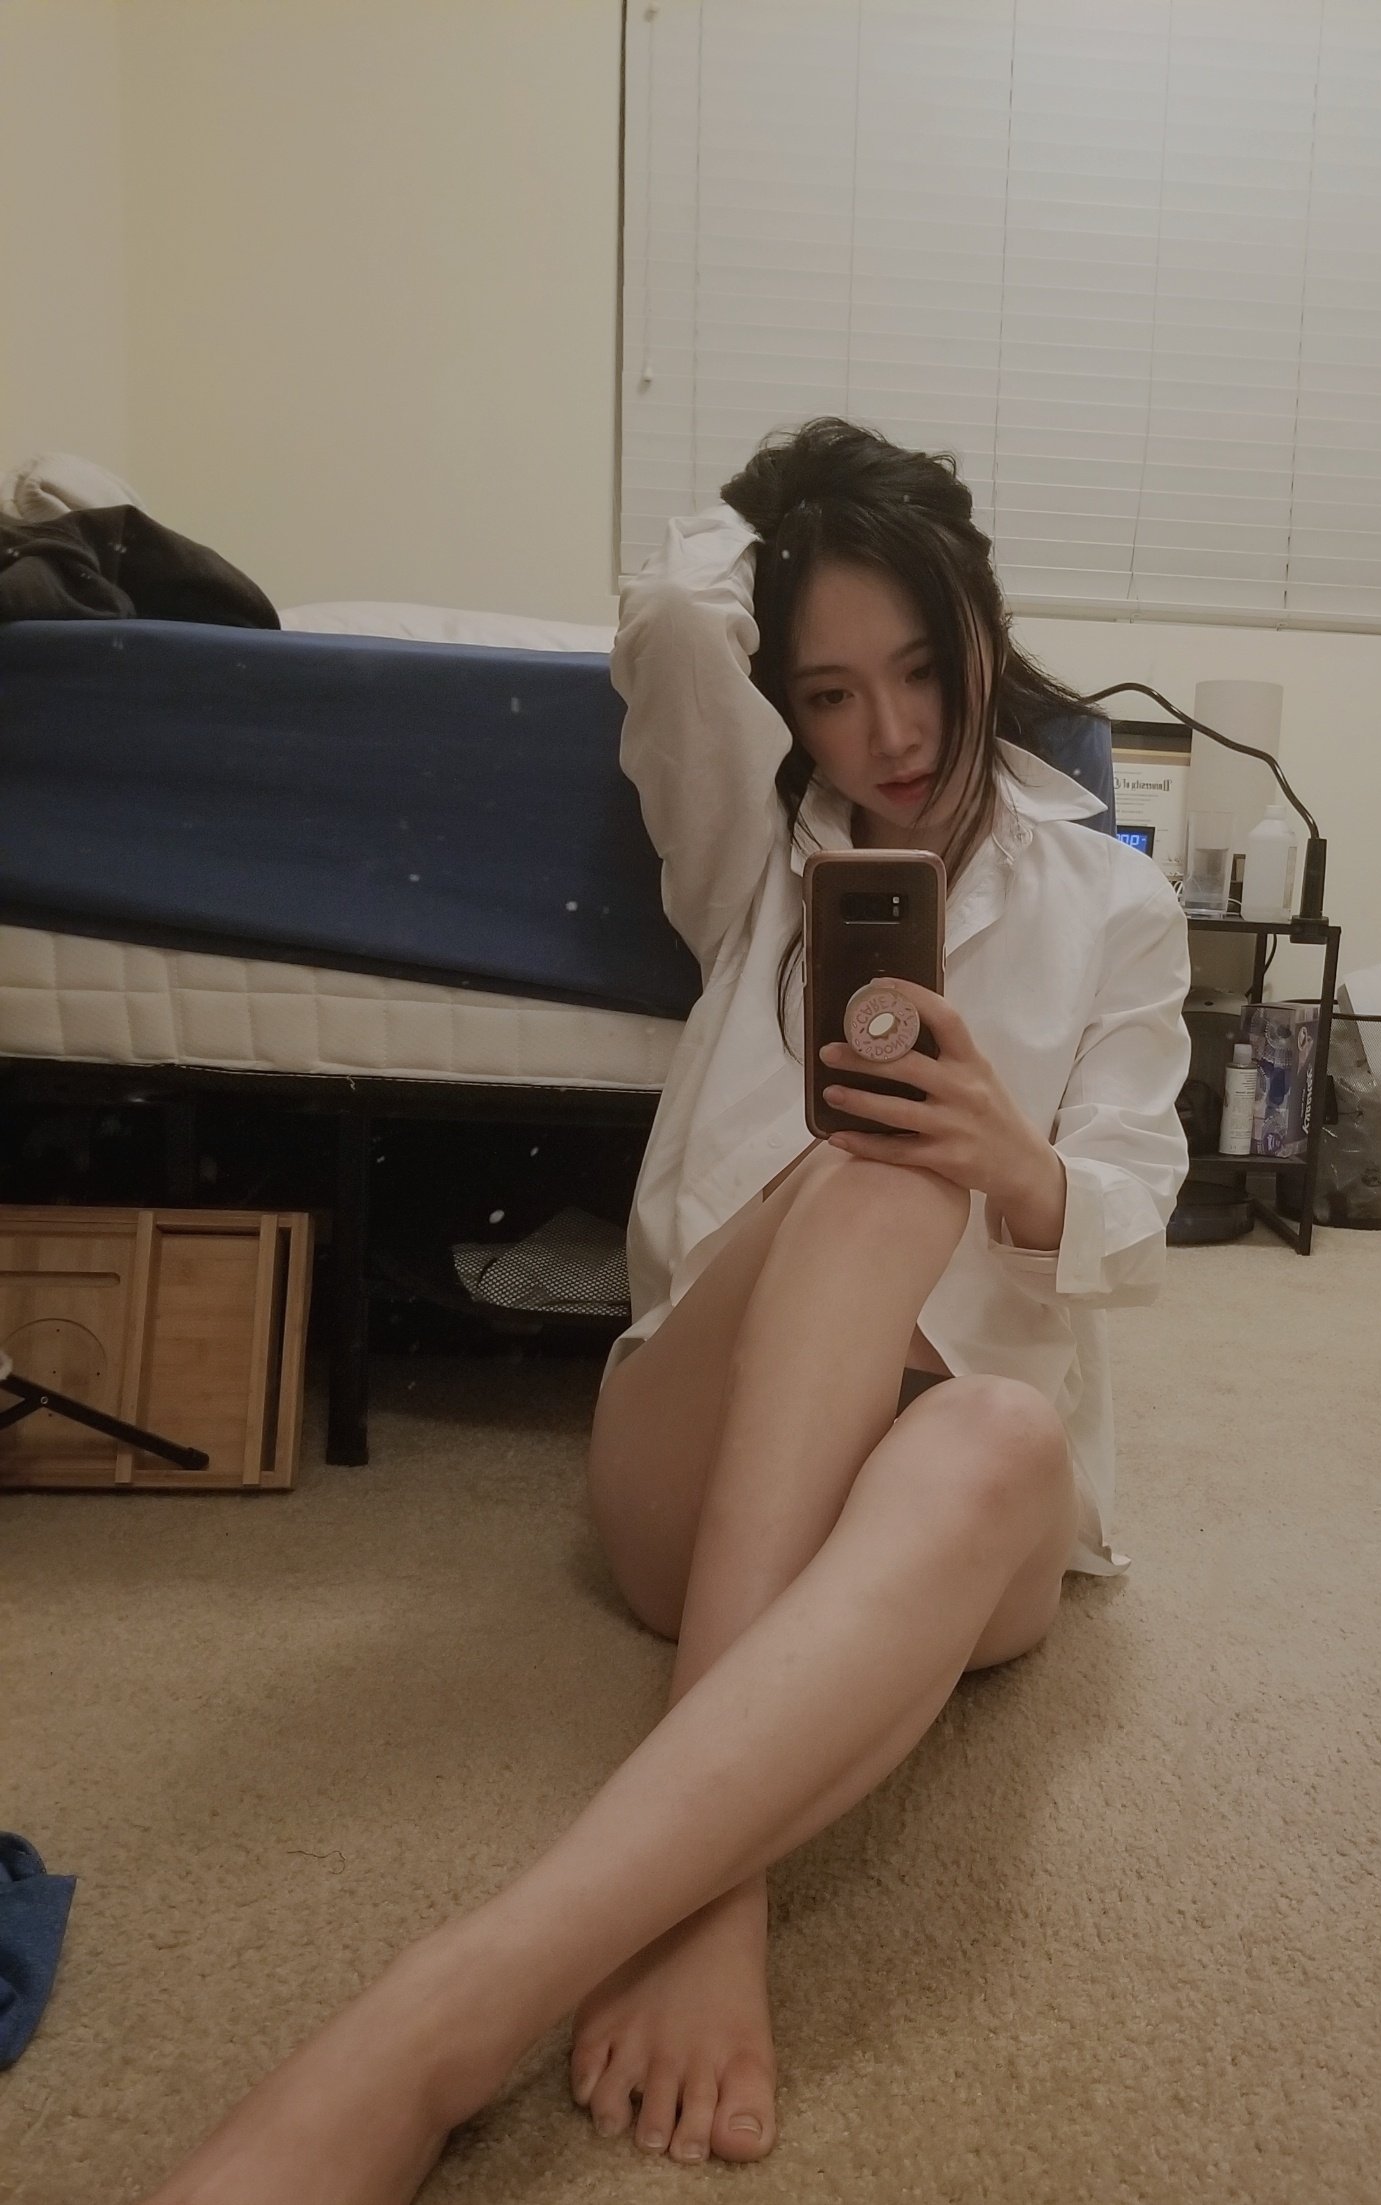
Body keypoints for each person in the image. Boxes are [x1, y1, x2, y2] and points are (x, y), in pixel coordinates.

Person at [137, 420, 1190, 2204]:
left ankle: (453, 2010)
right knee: (873, 1175)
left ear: (984, 632)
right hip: (702, 1469)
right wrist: (811, 496)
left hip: (951, 1507)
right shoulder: (754, 861)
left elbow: (1139, 1215)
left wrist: (1018, 1163)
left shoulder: (1118, 900)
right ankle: (695, 1895)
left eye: (922, 668)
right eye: (833, 693)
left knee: (1003, 1424)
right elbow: (681, 608)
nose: (892, 732)